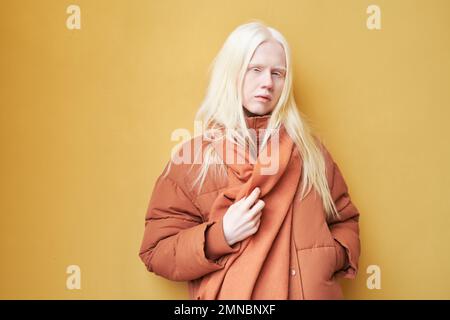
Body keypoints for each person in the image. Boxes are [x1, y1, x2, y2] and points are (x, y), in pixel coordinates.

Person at [139, 21, 361, 300]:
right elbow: (156, 250)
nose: (267, 82)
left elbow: (346, 219)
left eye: (278, 73)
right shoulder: (194, 159)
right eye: (255, 69)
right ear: (232, 73)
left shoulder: (311, 152)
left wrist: (326, 258)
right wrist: (221, 235)